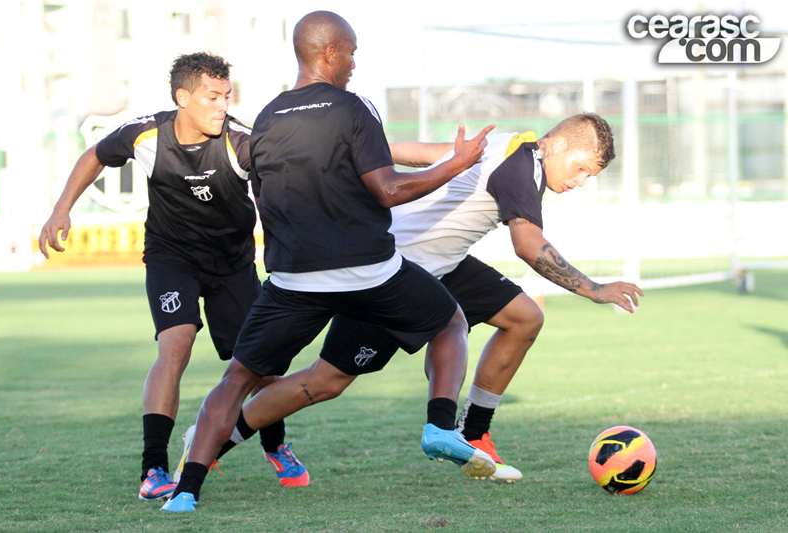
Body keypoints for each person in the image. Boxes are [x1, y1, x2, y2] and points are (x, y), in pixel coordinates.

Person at [171, 113, 644, 485]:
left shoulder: (510, 144)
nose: (580, 181)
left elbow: (424, 154)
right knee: (327, 380)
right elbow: (528, 245)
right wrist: (596, 289)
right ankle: (212, 442)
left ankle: (473, 432)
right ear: (557, 144)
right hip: (396, 269)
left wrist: (365, 152)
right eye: (581, 168)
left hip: (445, 262)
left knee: (523, 318)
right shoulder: (524, 166)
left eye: (590, 176)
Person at [161, 11, 495, 512]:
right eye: (353, 52)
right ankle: (440, 425)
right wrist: (455, 163)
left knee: (237, 380)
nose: (356, 63)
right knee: (449, 320)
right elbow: (387, 190)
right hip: (369, 273)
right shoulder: (353, 107)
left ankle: (184, 493)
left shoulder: (268, 116)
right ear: (330, 53)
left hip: (293, 278)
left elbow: (266, 194)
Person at [37, 52, 308, 500]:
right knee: (175, 346)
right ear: (183, 98)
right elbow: (94, 155)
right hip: (172, 257)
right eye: (211, 97)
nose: (221, 106)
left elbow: (278, 196)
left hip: (233, 263)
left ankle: (276, 446)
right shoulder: (145, 134)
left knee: (257, 365)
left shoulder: (241, 141)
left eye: (226, 96)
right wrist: (61, 209)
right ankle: (154, 470)